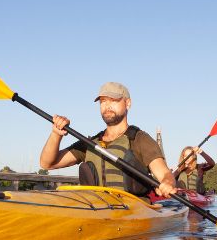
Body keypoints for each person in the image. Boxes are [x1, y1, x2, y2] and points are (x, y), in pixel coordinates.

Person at [39, 81, 177, 198]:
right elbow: (47, 164)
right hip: (96, 210)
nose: (107, 106)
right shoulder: (90, 143)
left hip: (132, 212)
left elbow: (164, 174)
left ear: (128, 103)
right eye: (103, 101)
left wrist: (168, 183)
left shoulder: (139, 139)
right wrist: (56, 134)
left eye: (114, 100)